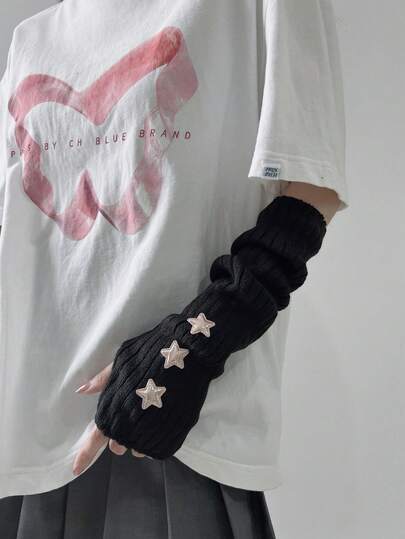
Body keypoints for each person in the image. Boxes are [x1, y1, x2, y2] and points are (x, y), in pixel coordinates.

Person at [0, 0, 349, 537]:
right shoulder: (32, 37)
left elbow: (311, 192)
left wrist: (182, 356)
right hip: (30, 443)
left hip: (177, 433)